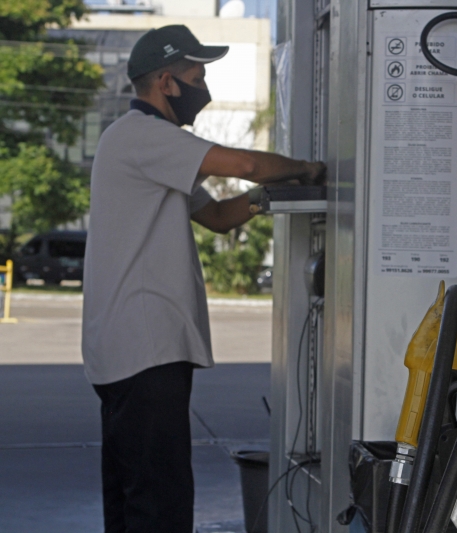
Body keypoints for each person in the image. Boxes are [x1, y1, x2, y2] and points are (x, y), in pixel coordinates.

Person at [81, 25, 325, 533]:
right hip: (146, 349)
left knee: (134, 496)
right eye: (197, 78)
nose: (204, 88)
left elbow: (215, 217)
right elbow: (247, 163)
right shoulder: (145, 136)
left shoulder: (142, 146)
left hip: (129, 351)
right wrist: (308, 169)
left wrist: (265, 199)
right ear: (166, 82)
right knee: (159, 502)